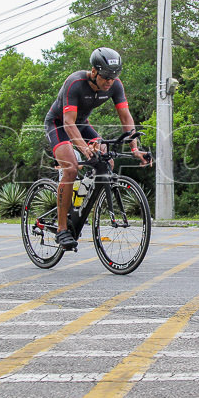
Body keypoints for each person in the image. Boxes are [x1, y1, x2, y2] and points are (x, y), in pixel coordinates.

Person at [45, 47, 148, 251]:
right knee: (72, 168)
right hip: (59, 124)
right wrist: (83, 149)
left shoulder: (115, 86)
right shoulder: (75, 83)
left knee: (107, 160)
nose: (109, 81)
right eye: (106, 77)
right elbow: (68, 123)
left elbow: (126, 117)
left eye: (114, 76)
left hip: (81, 124)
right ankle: (62, 228)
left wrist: (135, 148)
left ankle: (78, 206)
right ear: (94, 71)